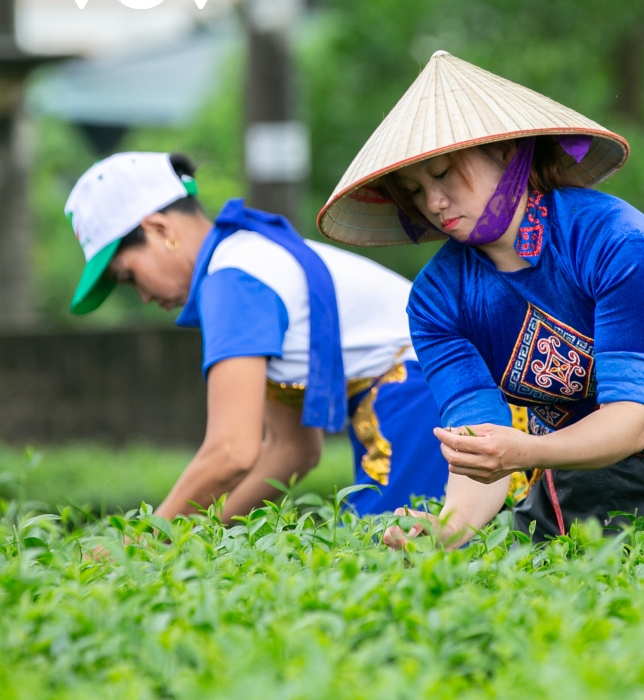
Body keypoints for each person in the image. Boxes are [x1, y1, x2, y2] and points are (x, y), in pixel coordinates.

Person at [317, 51, 644, 546]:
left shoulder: (616, 241)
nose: (433, 202)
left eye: (443, 174)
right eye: (416, 190)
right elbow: (479, 445)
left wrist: (522, 451)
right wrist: (443, 533)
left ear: (506, 152)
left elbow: (629, 423)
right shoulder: (436, 299)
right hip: (566, 486)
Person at [64, 151, 446, 520]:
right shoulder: (245, 261)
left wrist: (144, 541)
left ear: (160, 229)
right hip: (426, 396)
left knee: (388, 555)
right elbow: (291, 449)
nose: (142, 296)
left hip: (424, 395)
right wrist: (191, 538)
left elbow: (231, 451)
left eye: (129, 277)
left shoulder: (234, 282)